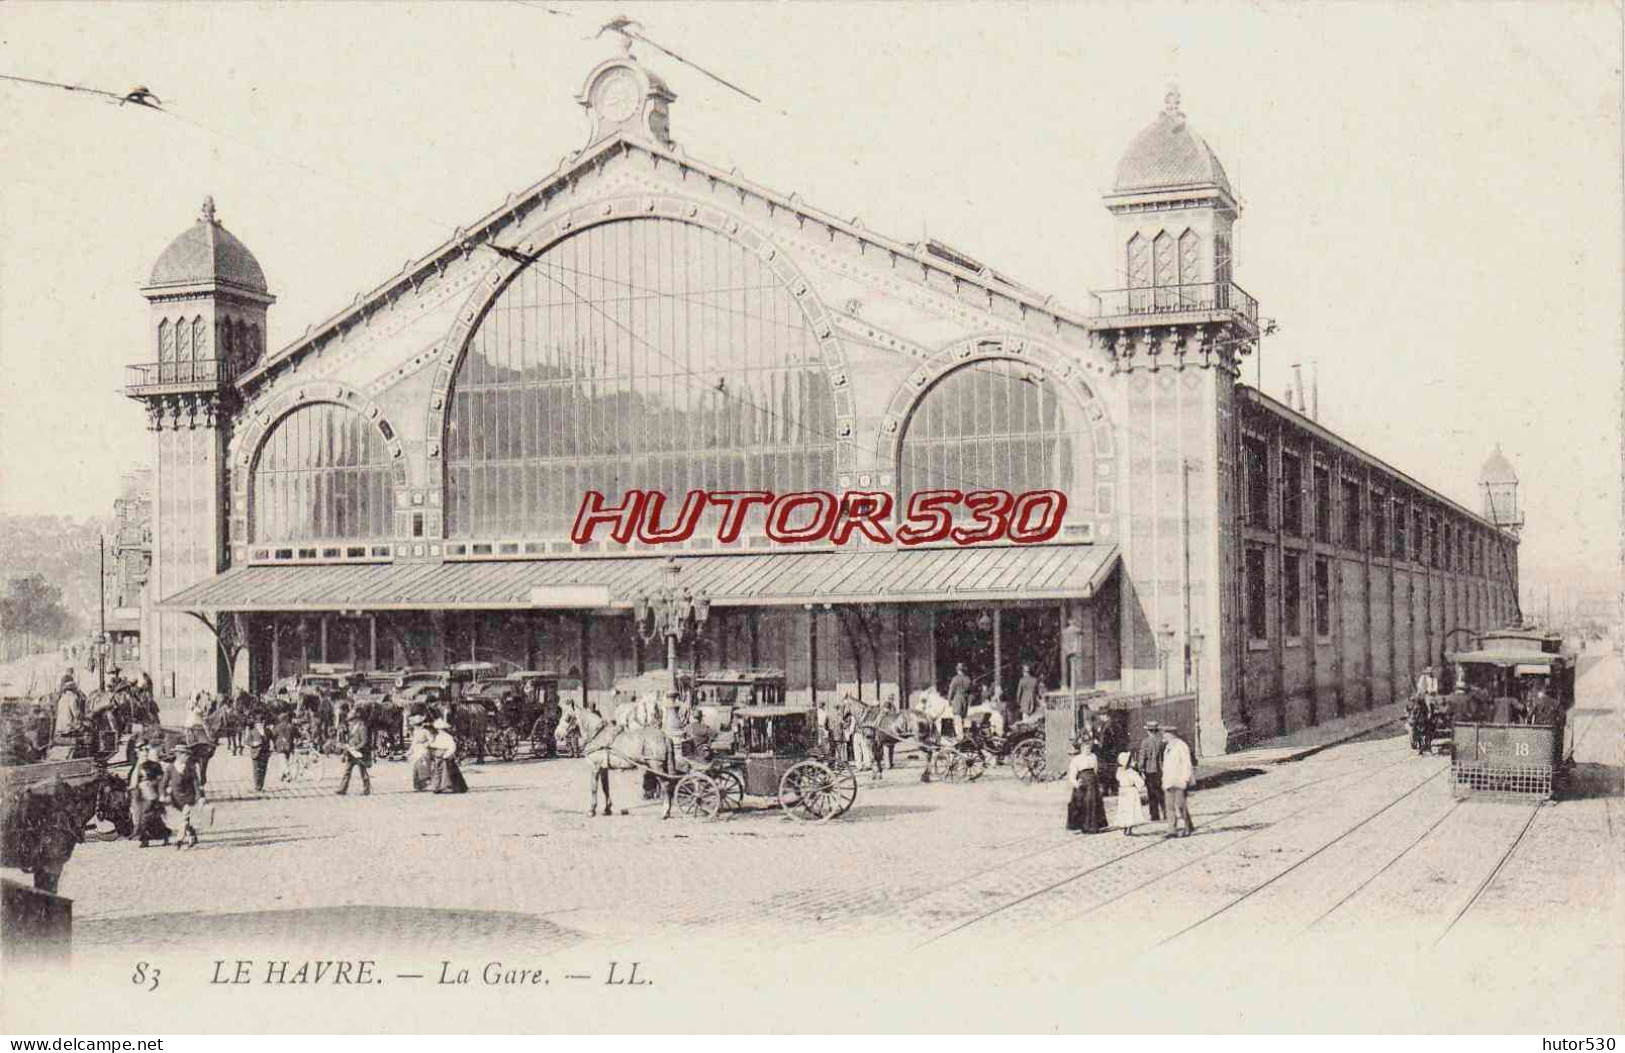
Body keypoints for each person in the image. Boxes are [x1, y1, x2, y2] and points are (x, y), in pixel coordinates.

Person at [162, 743, 204, 849]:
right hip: (176, 798)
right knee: (184, 818)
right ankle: (192, 834)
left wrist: (200, 797)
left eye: (188, 755)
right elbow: (164, 782)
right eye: (185, 755)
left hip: (189, 796)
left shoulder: (191, 767)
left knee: (184, 818)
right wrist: (162, 794)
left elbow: (196, 783)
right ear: (178, 755)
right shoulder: (170, 768)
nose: (187, 757)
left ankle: (179, 840)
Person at [1065, 738, 1108, 833]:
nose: (1087, 750)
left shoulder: (1093, 757)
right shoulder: (1077, 759)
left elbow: (1095, 770)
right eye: (1085, 748)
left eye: (1089, 748)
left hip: (1092, 782)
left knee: (1094, 802)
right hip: (1083, 782)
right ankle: (1083, 826)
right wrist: (1076, 783)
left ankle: (1094, 826)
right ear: (1081, 749)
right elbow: (1072, 774)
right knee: (1084, 803)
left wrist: (1096, 781)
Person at [132, 742, 171, 847]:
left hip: (152, 794)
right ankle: (145, 839)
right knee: (144, 817)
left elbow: (161, 779)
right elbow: (134, 781)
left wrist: (152, 784)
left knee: (150, 817)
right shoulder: (138, 766)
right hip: (141, 794)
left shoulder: (155, 765)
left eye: (145, 752)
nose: (143, 754)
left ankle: (157, 838)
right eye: (141, 752)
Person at [1161, 726, 1196, 838]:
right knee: (1169, 806)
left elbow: (1187, 764)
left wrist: (1185, 779)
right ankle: (1172, 830)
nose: (1163, 736)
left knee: (1181, 805)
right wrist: (1163, 779)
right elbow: (1166, 766)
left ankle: (1187, 826)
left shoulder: (1181, 746)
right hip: (1168, 780)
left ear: (1171, 734)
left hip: (1179, 780)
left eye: (1165, 734)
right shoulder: (1167, 747)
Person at [336, 705, 374, 796]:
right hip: (351, 752)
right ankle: (342, 789)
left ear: (358, 717)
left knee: (363, 772)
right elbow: (349, 738)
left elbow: (364, 741)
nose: (351, 719)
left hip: (360, 753)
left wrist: (355, 748)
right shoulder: (351, 726)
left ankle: (367, 789)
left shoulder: (362, 727)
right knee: (347, 771)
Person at [1134, 720, 1167, 822]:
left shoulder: (1145, 742)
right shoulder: (1161, 742)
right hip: (1160, 770)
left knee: (1151, 793)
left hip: (1149, 770)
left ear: (1148, 731)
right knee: (1160, 792)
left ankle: (1154, 815)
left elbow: (1142, 756)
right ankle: (1166, 813)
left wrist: (1140, 768)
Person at [1114, 752, 1148, 836]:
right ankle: (1129, 828)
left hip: (1123, 791)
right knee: (1132, 809)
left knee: (1124, 809)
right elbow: (1140, 782)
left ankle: (1125, 826)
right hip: (1131, 791)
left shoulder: (1119, 771)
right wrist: (1141, 774)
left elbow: (1118, 779)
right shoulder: (1131, 772)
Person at [431, 719, 467, 794]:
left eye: (440, 729)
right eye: (438, 729)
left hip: (445, 754)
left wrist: (446, 755)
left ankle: (447, 787)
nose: (439, 730)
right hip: (438, 753)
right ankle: (437, 787)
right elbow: (436, 745)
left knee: (446, 771)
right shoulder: (438, 736)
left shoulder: (448, 737)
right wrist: (431, 744)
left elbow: (452, 747)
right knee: (438, 770)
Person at [407, 714, 435, 791]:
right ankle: (418, 784)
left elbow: (431, 740)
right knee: (416, 766)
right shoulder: (415, 732)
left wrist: (426, 744)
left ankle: (425, 784)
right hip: (416, 750)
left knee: (424, 766)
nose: (417, 726)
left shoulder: (425, 731)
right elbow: (413, 743)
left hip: (423, 749)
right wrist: (410, 751)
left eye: (418, 724)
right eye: (416, 725)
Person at [247, 717, 273, 792]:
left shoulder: (268, 731)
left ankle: (261, 786)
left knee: (263, 770)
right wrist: (254, 743)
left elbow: (272, 739)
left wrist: (271, 748)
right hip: (256, 753)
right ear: (256, 724)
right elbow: (247, 742)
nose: (261, 725)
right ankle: (257, 786)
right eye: (258, 724)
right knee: (256, 770)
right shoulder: (252, 732)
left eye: (262, 723)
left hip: (265, 753)